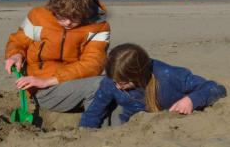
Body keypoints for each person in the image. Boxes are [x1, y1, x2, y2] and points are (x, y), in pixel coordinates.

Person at [4, 0, 110, 113]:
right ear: (53, 9)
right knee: (101, 86)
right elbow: (18, 41)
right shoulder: (37, 16)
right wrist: (15, 54)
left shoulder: (99, 26)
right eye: (61, 17)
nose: (68, 22)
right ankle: (90, 130)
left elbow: (93, 64)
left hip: (72, 83)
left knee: (120, 84)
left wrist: (50, 80)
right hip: (40, 89)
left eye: (75, 17)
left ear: (86, 11)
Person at [80, 43, 226, 128]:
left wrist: (191, 100)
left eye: (123, 83)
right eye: (115, 81)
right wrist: (84, 131)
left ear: (139, 74)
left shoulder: (169, 75)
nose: (117, 86)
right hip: (130, 121)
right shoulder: (110, 82)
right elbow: (94, 112)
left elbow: (216, 88)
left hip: (171, 122)